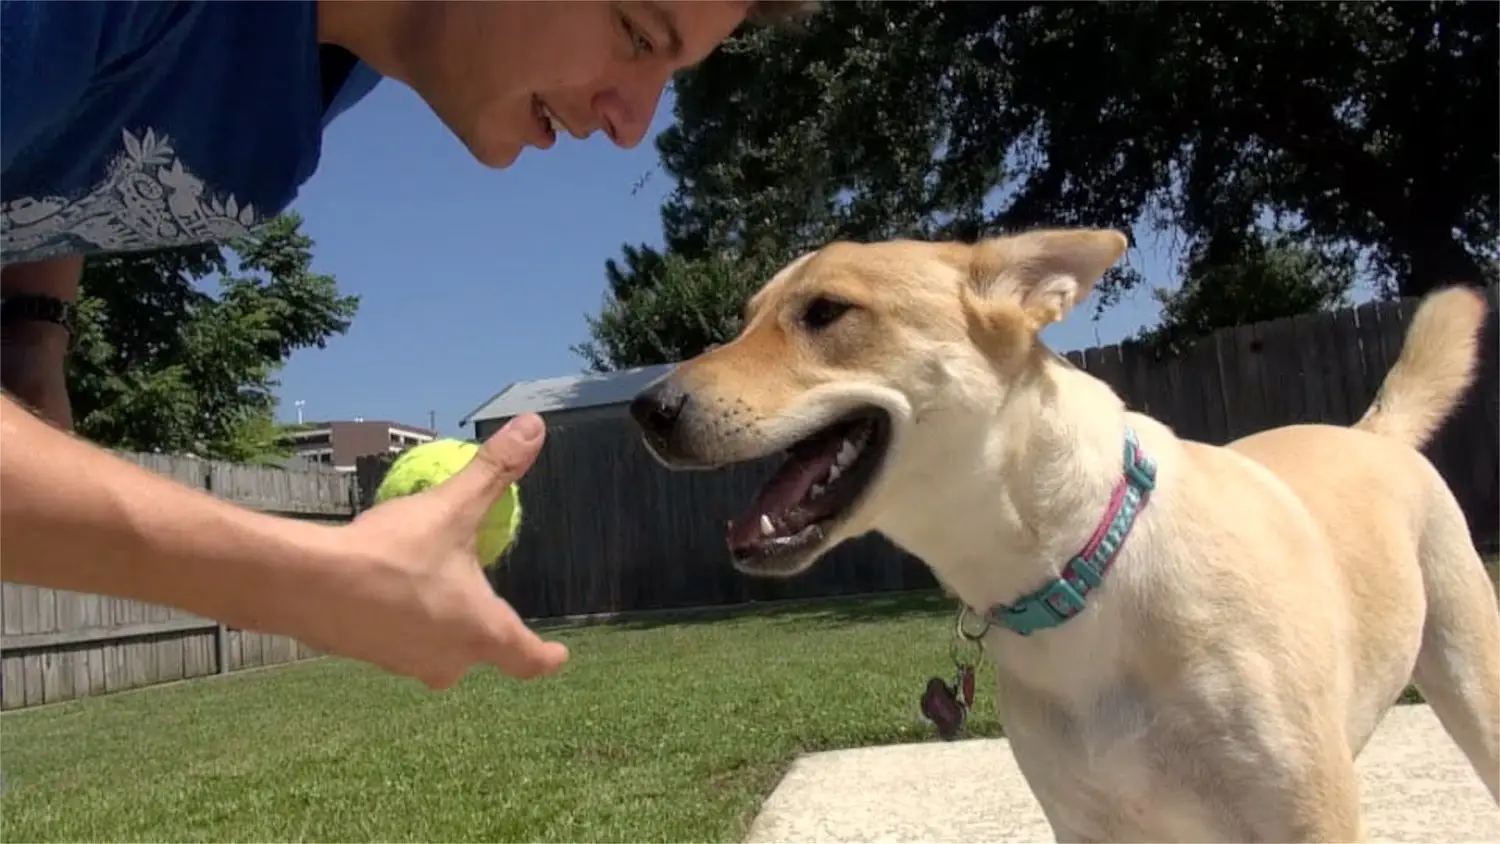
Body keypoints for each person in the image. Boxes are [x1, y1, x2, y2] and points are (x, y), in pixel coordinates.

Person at [0, 0, 812, 690]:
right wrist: (306, 580)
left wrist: (31, 326)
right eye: (636, 32)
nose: (633, 124)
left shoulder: (342, 52)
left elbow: (73, 137)